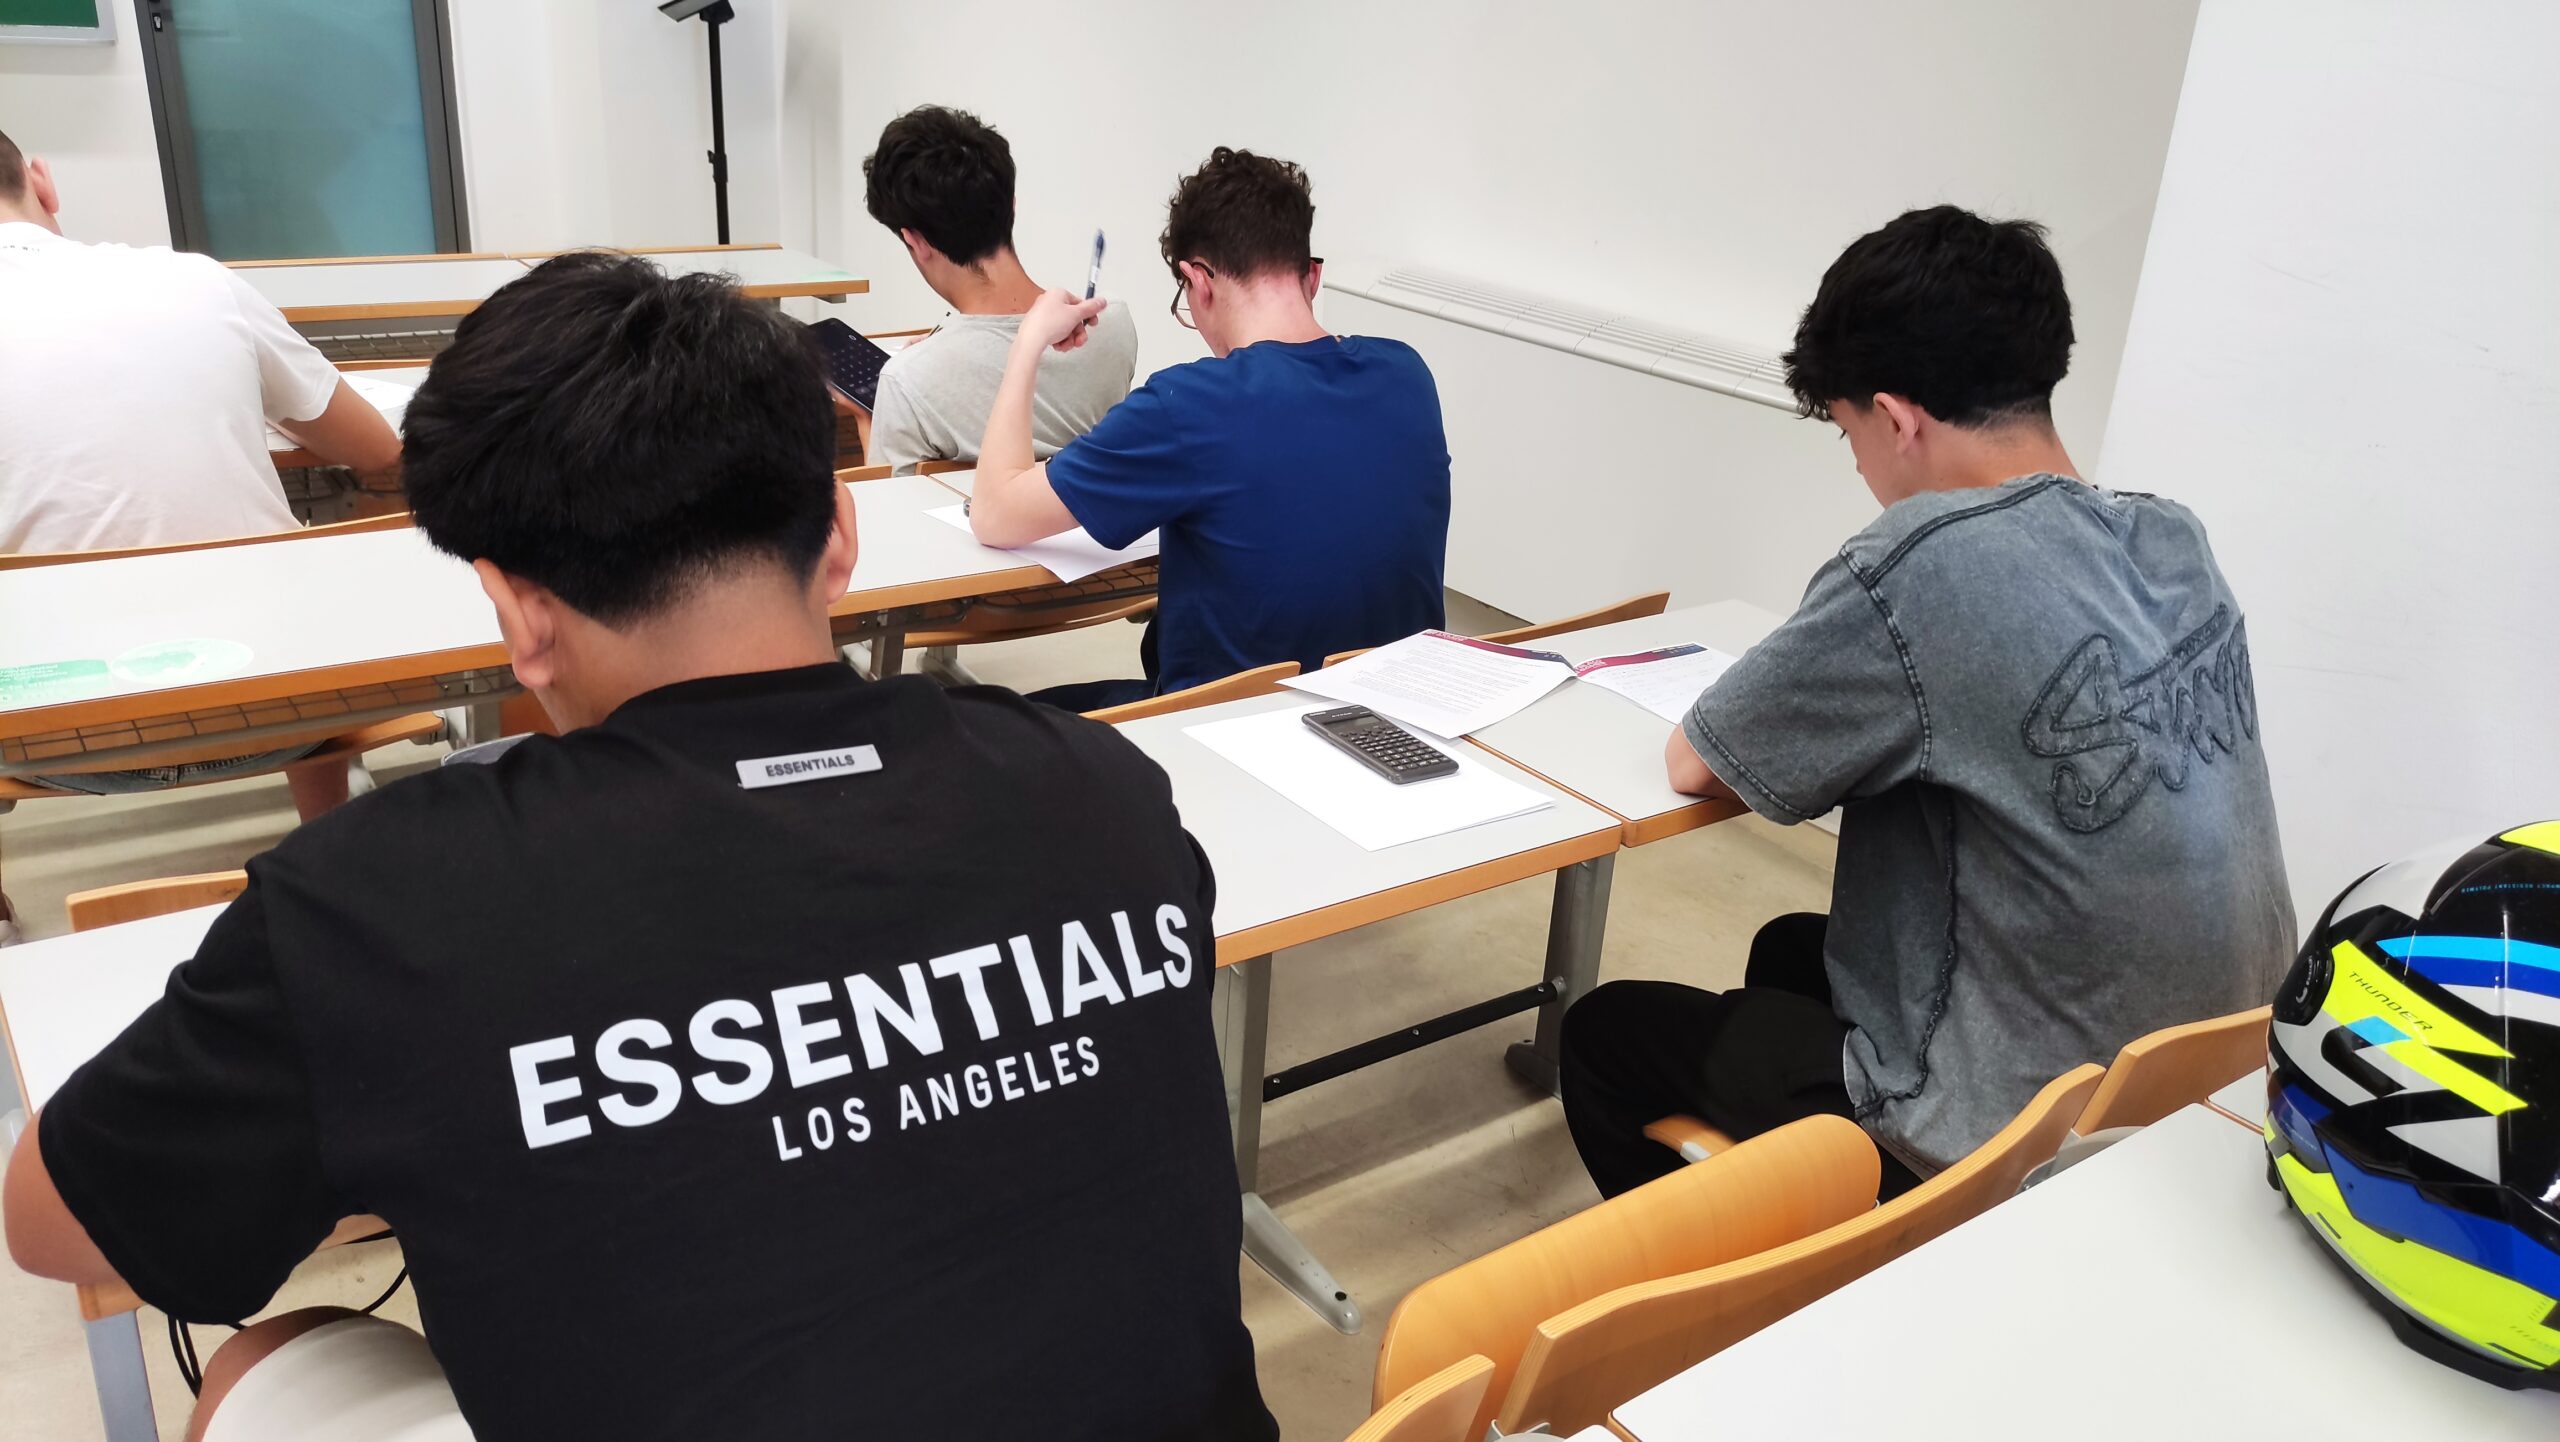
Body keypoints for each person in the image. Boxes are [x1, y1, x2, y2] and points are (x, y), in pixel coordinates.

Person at [3, 253, 1276, 1442]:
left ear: (518, 613)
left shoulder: (374, 906)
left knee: (271, 1353)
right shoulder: (1100, 782)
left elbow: (52, 1224)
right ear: (840, 532)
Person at [1559, 206, 2296, 1200]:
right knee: (1793, 949)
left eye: (1849, 434)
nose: (1860, 466)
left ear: (1896, 418)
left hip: (2023, 1126)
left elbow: (1698, 762)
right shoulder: (2172, 538)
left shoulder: (1918, 562)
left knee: (1606, 1035)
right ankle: (1820, 1194)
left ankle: (1819, 1248)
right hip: (2205, 1080)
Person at [0, 129, 405, 945]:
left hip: (45, 742)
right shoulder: (197, 282)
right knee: (300, 565)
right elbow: (379, 452)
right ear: (42, 181)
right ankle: (328, 837)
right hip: (282, 710)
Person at [968, 146, 1451, 710]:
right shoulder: (1408, 374)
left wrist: (1028, 340)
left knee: (982, 712)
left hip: (1226, 730)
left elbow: (995, 513)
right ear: (1312, 277)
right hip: (1394, 717)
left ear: (1197, 281)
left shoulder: (1188, 405)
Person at [859, 105, 1137, 474]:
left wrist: (869, 415)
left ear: (915, 241)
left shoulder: (907, 381)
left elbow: (890, 497)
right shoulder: (1112, 323)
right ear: (1011, 206)